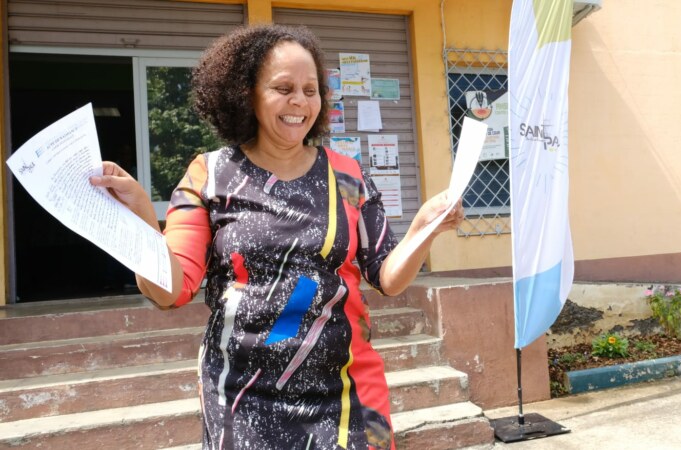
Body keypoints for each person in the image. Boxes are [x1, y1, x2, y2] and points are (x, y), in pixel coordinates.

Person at [90, 24, 464, 450]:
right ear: (247, 94)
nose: (299, 102)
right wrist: (139, 219)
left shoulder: (348, 176)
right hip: (242, 397)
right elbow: (171, 292)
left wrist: (424, 227)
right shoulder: (209, 175)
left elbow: (388, 277)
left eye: (310, 89)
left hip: (345, 394)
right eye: (283, 87)